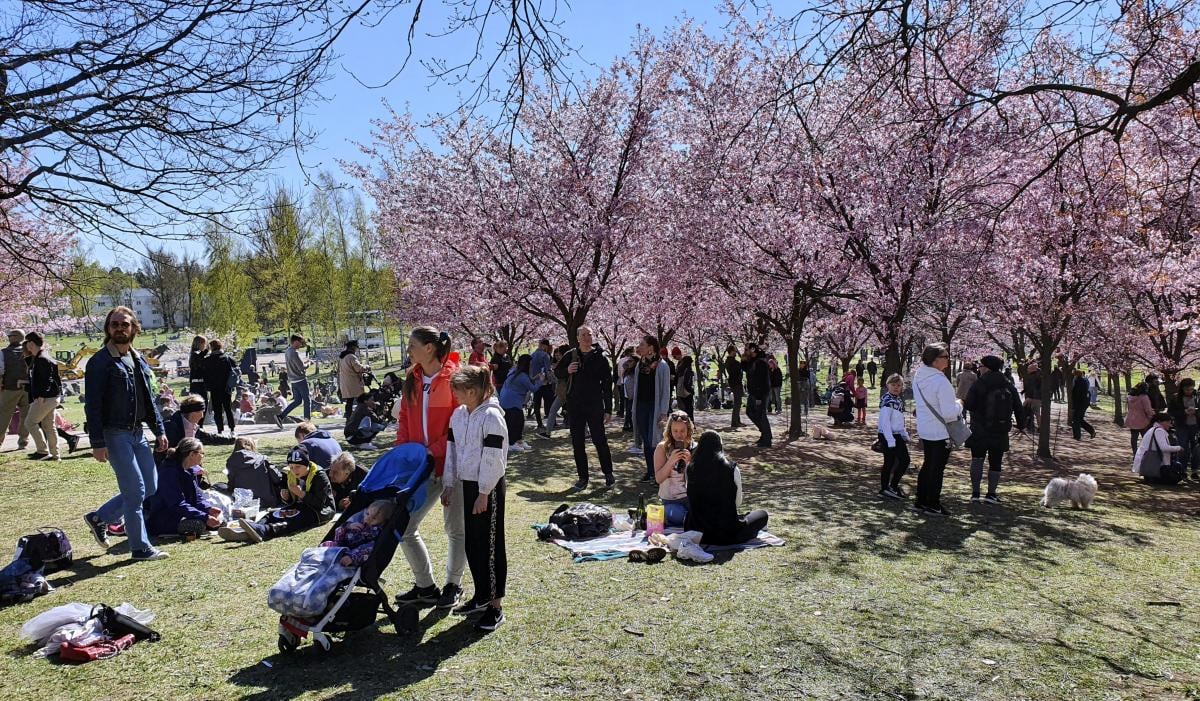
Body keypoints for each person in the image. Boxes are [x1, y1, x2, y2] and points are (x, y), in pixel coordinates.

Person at [83, 306, 171, 562]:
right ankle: (140, 548)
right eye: (114, 324)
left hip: (138, 433)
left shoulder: (138, 359)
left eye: (125, 324)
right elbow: (93, 406)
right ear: (108, 329)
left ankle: (100, 518)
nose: (120, 328)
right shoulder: (99, 362)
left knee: (151, 486)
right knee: (135, 491)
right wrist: (97, 442)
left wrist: (160, 431)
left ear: (134, 328)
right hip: (114, 434)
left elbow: (149, 400)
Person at [392, 326, 467, 610]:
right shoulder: (412, 378)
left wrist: (431, 452)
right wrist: (404, 453)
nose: (408, 350)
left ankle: (453, 585)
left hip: (449, 465)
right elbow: (404, 419)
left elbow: (456, 428)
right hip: (419, 467)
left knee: (454, 528)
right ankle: (425, 586)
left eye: (412, 345)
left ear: (429, 348)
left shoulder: (453, 379)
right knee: (404, 525)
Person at [442, 363, 508, 631]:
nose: (455, 396)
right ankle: (481, 595)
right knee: (473, 544)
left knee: (490, 547)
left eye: (458, 391)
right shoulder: (458, 415)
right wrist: (448, 484)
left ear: (471, 391)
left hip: (488, 488)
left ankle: (495, 606)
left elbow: (494, 457)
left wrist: (484, 493)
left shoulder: (492, 416)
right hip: (467, 486)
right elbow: (452, 451)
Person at [220, 444, 335, 543]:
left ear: (307, 464)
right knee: (274, 514)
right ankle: (251, 528)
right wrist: (287, 497)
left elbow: (319, 503)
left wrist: (301, 494)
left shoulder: (319, 476)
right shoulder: (291, 474)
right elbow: (292, 500)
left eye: (298, 467)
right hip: (301, 506)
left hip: (319, 511)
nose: (295, 471)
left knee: (293, 521)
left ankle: (264, 531)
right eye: (292, 467)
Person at [555, 326, 614, 490]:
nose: (587, 337)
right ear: (578, 338)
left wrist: (608, 408)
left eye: (590, 334)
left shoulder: (601, 357)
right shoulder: (571, 355)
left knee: (599, 440)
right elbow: (557, 372)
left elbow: (607, 385)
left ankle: (608, 473)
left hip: (595, 405)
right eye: (584, 335)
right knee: (577, 442)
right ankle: (583, 478)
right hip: (574, 405)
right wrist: (567, 370)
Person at [684, 431, 769, 545]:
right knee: (762, 514)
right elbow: (737, 503)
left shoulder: (690, 469)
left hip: (697, 532)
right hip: (726, 534)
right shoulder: (731, 468)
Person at [962, 355, 1023, 505]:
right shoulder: (1007, 384)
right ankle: (991, 494)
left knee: (977, 460)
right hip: (999, 430)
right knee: (996, 462)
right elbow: (1018, 407)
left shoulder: (979, 383)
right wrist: (1021, 424)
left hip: (979, 429)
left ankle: (975, 493)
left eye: (981, 366)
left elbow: (968, 404)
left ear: (987, 367)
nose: (979, 368)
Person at [911, 343, 962, 516]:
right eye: (945, 357)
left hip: (925, 428)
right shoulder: (941, 381)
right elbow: (949, 414)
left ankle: (921, 500)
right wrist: (959, 405)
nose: (948, 360)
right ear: (934, 360)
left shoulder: (919, 376)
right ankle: (933, 503)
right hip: (941, 431)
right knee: (937, 467)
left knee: (928, 465)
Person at [144, 438, 225, 537]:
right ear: (192, 454)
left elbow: (196, 498)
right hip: (165, 518)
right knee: (199, 525)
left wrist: (208, 509)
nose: (202, 456)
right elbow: (177, 504)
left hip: (182, 513)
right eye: (201, 453)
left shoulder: (189, 471)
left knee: (219, 521)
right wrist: (204, 517)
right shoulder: (168, 473)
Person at [631, 335, 671, 484]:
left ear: (651, 348)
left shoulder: (662, 366)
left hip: (654, 407)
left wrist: (663, 412)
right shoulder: (639, 365)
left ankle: (658, 473)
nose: (639, 347)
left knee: (654, 440)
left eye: (642, 344)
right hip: (641, 406)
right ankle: (650, 470)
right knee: (646, 441)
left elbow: (666, 391)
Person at [22, 332, 62, 461]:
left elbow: (48, 379)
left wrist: (41, 395)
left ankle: (42, 451)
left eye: (27, 342)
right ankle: (55, 455)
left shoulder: (42, 359)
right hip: (51, 397)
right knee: (49, 426)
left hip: (46, 398)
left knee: (30, 422)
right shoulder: (40, 357)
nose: (25, 345)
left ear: (31, 343)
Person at [320, 500, 396, 566]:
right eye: (368, 514)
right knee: (329, 542)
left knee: (370, 547)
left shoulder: (377, 531)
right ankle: (324, 554)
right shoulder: (358, 518)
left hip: (354, 552)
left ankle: (349, 558)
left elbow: (370, 547)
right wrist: (348, 526)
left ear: (382, 522)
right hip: (340, 545)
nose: (368, 519)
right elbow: (339, 531)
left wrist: (351, 557)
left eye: (374, 518)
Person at [653, 411, 694, 527]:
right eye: (675, 431)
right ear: (670, 431)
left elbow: (699, 481)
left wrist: (689, 464)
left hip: (689, 499)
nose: (679, 435)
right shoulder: (662, 448)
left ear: (688, 431)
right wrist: (671, 461)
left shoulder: (693, 447)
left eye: (682, 431)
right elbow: (658, 479)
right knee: (683, 517)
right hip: (670, 501)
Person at [877, 374, 911, 499]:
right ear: (888, 385)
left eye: (899, 385)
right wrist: (890, 440)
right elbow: (885, 423)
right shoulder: (887, 400)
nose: (896, 388)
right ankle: (885, 488)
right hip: (887, 435)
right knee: (889, 462)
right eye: (893, 385)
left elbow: (899, 421)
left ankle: (893, 485)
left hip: (896, 434)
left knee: (905, 460)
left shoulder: (898, 400)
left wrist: (904, 434)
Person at [225, 436, 282, 509]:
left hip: (243, 503)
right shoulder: (262, 459)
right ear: (252, 446)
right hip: (266, 501)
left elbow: (231, 484)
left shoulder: (231, 462)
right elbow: (277, 478)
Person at [163, 395, 236, 449]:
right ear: (193, 412)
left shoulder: (192, 426)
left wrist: (231, 439)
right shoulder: (171, 426)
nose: (202, 416)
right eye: (202, 412)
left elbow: (210, 438)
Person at [498, 354, 538, 453]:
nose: (532, 366)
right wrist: (541, 381)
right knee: (515, 422)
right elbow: (533, 388)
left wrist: (535, 378)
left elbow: (528, 382)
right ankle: (511, 443)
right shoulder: (521, 376)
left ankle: (518, 441)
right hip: (511, 401)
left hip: (507, 399)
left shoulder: (515, 372)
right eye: (531, 364)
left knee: (518, 421)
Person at [0, 328, 31, 451]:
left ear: (13, 337)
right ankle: (23, 442)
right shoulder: (29, 351)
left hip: (10, 388)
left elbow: (0, 371)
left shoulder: (4, 353)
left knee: (4, 416)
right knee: (25, 416)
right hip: (27, 388)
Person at [1133, 413, 1184, 483]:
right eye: (1168, 423)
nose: (1170, 425)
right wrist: (1179, 448)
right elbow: (1164, 447)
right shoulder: (1159, 431)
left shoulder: (1153, 429)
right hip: (1154, 461)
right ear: (1160, 422)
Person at [201, 339, 238, 435]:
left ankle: (220, 429)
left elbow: (204, 374)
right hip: (226, 388)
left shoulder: (208, 360)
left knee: (217, 410)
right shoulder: (227, 358)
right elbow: (235, 370)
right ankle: (232, 429)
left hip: (214, 388)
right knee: (228, 408)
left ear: (211, 347)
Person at [277, 335, 312, 426]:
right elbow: (302, 367)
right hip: (300, 379)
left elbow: (295, 364)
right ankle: (307, 423)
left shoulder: (287, 351)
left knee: (297, 401)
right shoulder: (294, 352)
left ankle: (281, 416)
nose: (301, 344)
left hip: (293, 380)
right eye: (300, 342)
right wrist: (309, 363)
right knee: (307, 401)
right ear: (295, 341)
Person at [742, 343, 772, 447]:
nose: (746, 352)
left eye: (748, 350)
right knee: (750, 412)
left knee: (761, 414)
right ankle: (765, 433)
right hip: (753, 392)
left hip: (760, 393)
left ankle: (767, 438)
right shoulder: (752, 361)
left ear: (753, 350)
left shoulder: (760, 363)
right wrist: (744, 357)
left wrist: (759, 397)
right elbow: (744, 367)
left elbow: (762, 381)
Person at [1168, 378, 1199, 478]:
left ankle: (1195, 470)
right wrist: (1184, 412)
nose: (1189, 391)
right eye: (1187, 389)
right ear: (1182, 389)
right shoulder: (1176, 398)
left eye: (1191, 389)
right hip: (1182, 426)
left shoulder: (1198, 397)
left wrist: (1196, 411)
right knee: (1183, 447)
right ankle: (1183, 469)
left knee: (1196, 448)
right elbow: (1171, 412)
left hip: (1196, 425)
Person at [337, 340, 370, 419]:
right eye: (356, 347)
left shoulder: (342, 357)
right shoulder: (351, 357)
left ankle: (348, 416)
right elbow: (358, 368)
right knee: (361, 399)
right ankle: (362, 415)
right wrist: (367, 367)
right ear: (353, 347)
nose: (356, 349)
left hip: (345, 382)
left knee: (349, 401)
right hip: (353, 382)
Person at [530, 339, 555, 430]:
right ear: (545, 346)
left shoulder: (532, 355)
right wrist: (551, 380)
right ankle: (549, 423)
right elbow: (548, 370)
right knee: (549, 403)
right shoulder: (545, 355)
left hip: (535, 383)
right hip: (545, 383)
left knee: (537, 404)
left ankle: (539, 423)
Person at [1125, 383, 1154, 455]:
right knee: (1146, 437)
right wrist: (1151, 417)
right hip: (1142, 420)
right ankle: (1145, 452)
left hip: (1132, 419)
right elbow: (1148, 410)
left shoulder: (1130, 396)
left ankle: (1135, 452)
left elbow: (1128, 408)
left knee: (1134, 437)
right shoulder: (1144, 397)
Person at [1070, 369, 1096, 440]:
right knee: (1079, 419)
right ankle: (1091, 431)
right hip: (1083, 403)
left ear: (1076, 375)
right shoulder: (1083, 381)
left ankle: (1077, 436)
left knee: (1076, 419)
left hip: (1080, 403)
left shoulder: (1078, 381)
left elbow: (1077, 394)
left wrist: (1074, 405)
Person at [188, 335, 208, 419]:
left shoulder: (195, 354)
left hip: (198, 383)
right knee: (200, 405)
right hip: (198, 383)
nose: (204, 345)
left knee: (200, 405)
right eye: (203, 343)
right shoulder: (195, 354)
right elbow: (200, 364)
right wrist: (206, 351)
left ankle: (199, 425)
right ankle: (199, 425)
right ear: (199, 344)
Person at [723, 345, 744, 428]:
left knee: (738, 402)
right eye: (735, 351)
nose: (736, 352)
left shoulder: (731, 361)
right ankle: (735, 422)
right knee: (737, 402)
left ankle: (737, 421)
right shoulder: (732, 362)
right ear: (731, 351)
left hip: (735, 382)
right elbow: (736, 372)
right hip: (735, 383)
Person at [1021, 361, 1043, 434]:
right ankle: (1036, 426)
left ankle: (1024, 425)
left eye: (1028, 368)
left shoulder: (1033, 377)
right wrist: (1024, 391)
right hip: (1036, 397)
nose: (1027, 370)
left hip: (1033, 398)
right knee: (1036, 413)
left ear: (1032, 369)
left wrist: (1029, 396)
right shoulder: (1037, 375)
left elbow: (1032, 388)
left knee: (1026, 410)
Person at [676, 355, 697, 420]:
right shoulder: (688, 370)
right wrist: (690, 391)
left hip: (680, 391)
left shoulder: (679, 369)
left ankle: (684, 422)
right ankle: (690, 423)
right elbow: (687, 382)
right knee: (689, 409)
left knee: (683, 409)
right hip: (686, 392)